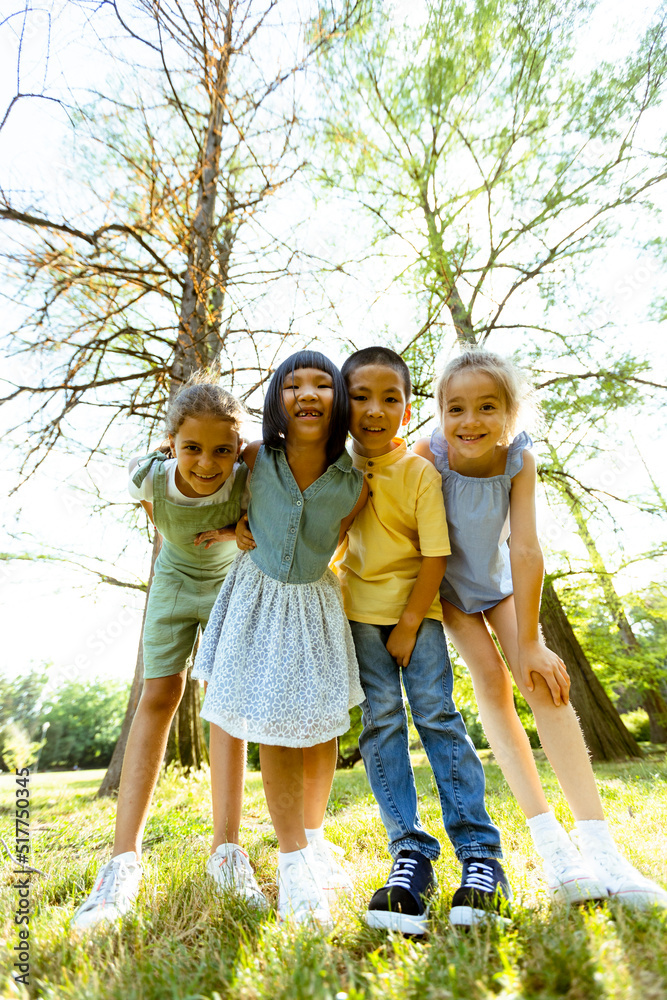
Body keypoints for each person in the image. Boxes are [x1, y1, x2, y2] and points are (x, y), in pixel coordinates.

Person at [414, 347, 667, 909]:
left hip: (500, 583)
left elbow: (525, 548)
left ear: (511, 413)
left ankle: (601, 847)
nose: (470, 421)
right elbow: (410, 533)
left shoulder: (519, 460)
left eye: (487, 407)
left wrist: (529, 640)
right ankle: (551, 844)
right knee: (492, 683)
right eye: (456, 409)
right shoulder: (428, 454)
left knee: (542, 683)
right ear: (440, 412)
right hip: (446, 586)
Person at [73, 372, 264, 930]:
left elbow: (262, 515)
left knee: (226, 701)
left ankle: (227, 852)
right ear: (172, 444)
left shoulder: (248, 477)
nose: (207, 463)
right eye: (193, 449)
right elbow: (145, 496)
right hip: (172, 583)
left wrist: (238, 529)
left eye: (222, 450)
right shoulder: (148, 476)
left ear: (238, 447)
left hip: (228, 583)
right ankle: (121, 862)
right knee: (160, 692)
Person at [333, 346, 511, 935]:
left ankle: (481, 857)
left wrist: (410, 622)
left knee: (437, 716)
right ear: (342, 404)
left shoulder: (418, 471)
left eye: (390, 398)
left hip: (419, 616)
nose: (375, 410)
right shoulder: (336, 472)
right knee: (381, 723)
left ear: (408, 410)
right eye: (360, 397)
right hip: (358, 618)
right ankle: (409, 854)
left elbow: (436, 553)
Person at [193, 350, 368, 929]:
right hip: (256, 598)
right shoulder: (253, 456)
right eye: (293, 385)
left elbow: (339, 543)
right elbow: (213, 486)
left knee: (318, 729)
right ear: (277, 401)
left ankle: (312, 840)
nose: (308, 393)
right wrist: (236, 527)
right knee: (266, 725)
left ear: (339, 400)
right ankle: (291, 863)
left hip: (312, 606)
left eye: (323, 383)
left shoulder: (353, 483)